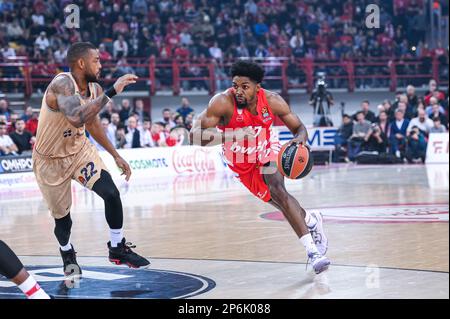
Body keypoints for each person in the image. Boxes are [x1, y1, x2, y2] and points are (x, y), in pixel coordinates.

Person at [191, 60, 330, 274]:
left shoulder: (273, 101)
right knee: (278, 202)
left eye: (244, 86)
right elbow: (195, 136)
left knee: (278, 190)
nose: (238, 91)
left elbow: (299, 127)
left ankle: (313, 253)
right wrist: (233, 135)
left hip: (267, 151)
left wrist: (299, 140)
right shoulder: (222, 102)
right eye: (235, 85)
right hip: (241, 163)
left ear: (258, 87)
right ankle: (311, 220)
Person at [32, 42, 150, 277]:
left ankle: (117, 247)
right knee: (63, 223)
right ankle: (67, 252)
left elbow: (92, 124)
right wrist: (113, 91)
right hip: (50, 161)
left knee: (111, 193)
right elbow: (77, 117)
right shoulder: (62, 83)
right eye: (96, 60)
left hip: (79, 151)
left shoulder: (94, 89)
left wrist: (115, 154)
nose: (101, 64)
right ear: (81, 63)